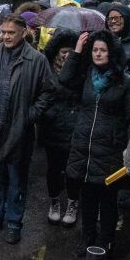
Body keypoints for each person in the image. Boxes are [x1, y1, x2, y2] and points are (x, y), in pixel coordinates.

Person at [0, 14, 55, 245]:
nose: (6, 36)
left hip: (18, 131)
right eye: (4, 32)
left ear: (23, 33)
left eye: (11, 32)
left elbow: (48, 91)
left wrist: (31, 115)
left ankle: (13, 222)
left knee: (16, 179)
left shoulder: (36, 59)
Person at [60, 31, 130, 258]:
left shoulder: (126, 82)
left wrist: (128, 149)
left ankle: (105, 241)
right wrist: (77, 51)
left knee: (107, 201)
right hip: (84, 146)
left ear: (112, 53)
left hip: (110, 150)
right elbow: (64, 79)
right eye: (95, 50)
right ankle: (87, 239)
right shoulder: (87, 76)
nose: (98, 54)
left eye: (102, 50)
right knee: (87, 198)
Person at [37, 30, 81, 228]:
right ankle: (54, 202)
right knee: (54, 169)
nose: (66, 55)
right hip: (52, 129)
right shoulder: (46, 71)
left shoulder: (82, 70)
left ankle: (72, 204)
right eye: (63, 51)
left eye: (71, 51)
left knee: (73, 171)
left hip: (74, 129)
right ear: (56, 52)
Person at [106, 4, 130, 76]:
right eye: (110, 18)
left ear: (127, 19)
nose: (113, 21)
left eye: (117, 18)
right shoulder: (106, 41)